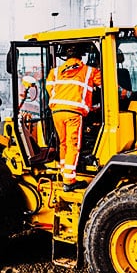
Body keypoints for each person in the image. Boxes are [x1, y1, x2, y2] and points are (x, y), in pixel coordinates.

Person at [46, 44, 102, 192]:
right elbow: (107, 84)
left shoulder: (55, 72)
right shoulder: (89, 71)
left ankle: (65, 172)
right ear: (81, 56)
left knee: (63, 143)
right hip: (73, 113)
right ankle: (69, 181)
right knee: (73, 145)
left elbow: (49, 88)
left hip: (57, 112)